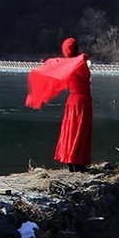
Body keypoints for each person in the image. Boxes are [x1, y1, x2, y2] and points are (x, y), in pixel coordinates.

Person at [25, 37, 93, 172]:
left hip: (72, 100)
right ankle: (78, 162)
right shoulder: (79, 63)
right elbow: (84, 75)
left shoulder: (66, 65)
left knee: (70, 131)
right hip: (82, 101)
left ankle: (71, 161)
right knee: (80, 131)